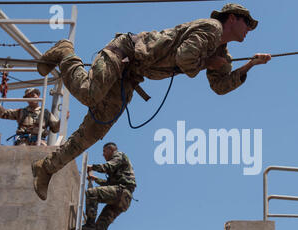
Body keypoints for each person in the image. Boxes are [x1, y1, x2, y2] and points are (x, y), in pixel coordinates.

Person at [31, 3, 271, 200]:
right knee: (89, 93)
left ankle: (47, 167)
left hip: (130, 74)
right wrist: (207, 63)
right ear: (231, 18)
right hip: (124, 53)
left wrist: (249, 65)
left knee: (94, 131)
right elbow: (185, 57)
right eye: (247, 22)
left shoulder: (221, 52)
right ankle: (65, 52)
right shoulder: (212, 29)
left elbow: (220, 87)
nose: (249, 29)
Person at [79, 142, 136, 230]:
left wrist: (92, 167)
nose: (103, 154)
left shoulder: (119, 155)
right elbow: (109, 185)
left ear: (111, 150)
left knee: (92, 193)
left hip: (121, 193)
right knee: (102, 223)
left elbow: (108, 167)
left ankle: (89, 224)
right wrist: (95, 179)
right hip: (123, 200)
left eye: (104, 151)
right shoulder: (119, 167)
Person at [0, 87, 68, 146]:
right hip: (23, 141)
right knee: (21, 152)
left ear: (39, 96)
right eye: (31, 95)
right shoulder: (21, 112)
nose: (34, 96)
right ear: (27, 99)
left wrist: (63, 119)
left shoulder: (46, 113)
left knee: (42, 151)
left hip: (39, 141)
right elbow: (3, 113)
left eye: (35, 94)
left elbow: (55, 128)